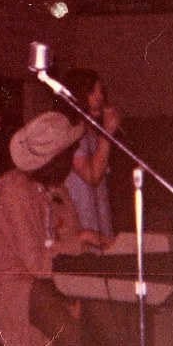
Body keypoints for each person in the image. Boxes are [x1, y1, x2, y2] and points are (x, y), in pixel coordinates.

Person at [0, 111, 111, 346]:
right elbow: (35, 262)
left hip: (51, 279)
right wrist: (79, 241)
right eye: (68, 154)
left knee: (107, 318)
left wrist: (82, 246)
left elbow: (71, 235)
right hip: (14, 288)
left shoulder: (56, 188)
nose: (72, 161)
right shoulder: (13, 191)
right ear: (55, 158)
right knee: (73, 337)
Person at [62, 68, 120, 239]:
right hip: (81, 228)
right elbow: (91, 175)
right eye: (92, 91)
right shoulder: (72, 132)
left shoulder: (92, 133)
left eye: (101, 91)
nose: (99, 97)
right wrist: (107, 133)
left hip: (99, 225)